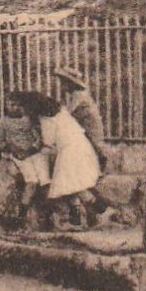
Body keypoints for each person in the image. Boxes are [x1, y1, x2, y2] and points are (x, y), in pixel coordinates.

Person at [18, 91, 101, 230]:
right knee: (70, 185)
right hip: (82, 147)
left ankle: (98, 210)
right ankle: (80, 217)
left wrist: (30, 153)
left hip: (70, 151)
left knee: (68, 185)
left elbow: (48, 143)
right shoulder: (60, 111)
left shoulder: (46, 119)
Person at [55, 67, 114, 225]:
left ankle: (100, 210)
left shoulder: (79, 96)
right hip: (85, 139)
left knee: (72, 174)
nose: (62, 86)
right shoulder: (76, 95)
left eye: (64, 82)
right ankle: (90, 214)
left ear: (71, 83)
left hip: (91, 140)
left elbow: (65, 116)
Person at [0, 95, 49, 230]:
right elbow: (0, 143)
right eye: (10, 104)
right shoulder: (3, 122)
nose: (13, 108)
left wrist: (32, 149)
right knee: (32, 181)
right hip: (17, 156)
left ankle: (47, 217)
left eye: (16, 105)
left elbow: (38, 138)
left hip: (33, 154)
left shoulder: (28, 120)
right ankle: (21, 217)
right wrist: (12, 149)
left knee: (46, 181)